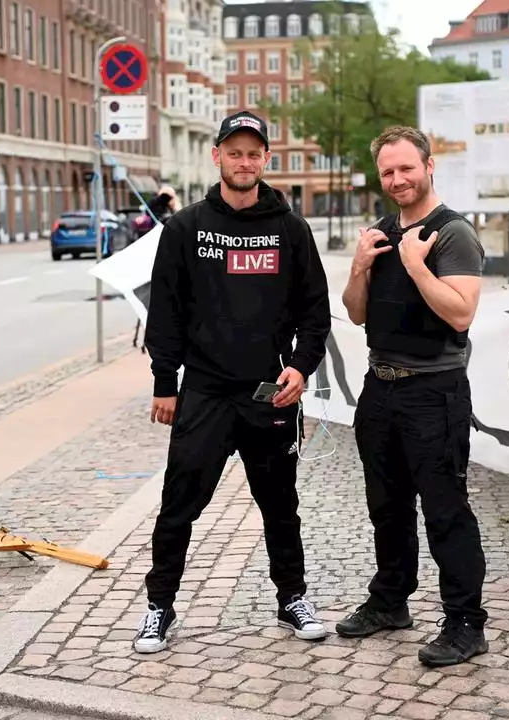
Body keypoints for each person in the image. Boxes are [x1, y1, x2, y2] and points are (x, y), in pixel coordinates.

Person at [135, 110, 332, 654]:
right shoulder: (186, 227)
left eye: (253, 153)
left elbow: (315, 313)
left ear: (266, 159)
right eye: (234, 151)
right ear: (217, 156)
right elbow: (166, 314)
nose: (244, 162)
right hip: (203, 391)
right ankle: (158, 606)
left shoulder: (291, 230)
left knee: (279, 502)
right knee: (180, 503)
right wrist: (164, 382)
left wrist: (301, 366)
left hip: (267, 392)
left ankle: (292, 598)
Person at [336, 125, 489, 667]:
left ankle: (466, 624)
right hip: (380, 389)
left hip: (434, 391)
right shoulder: (379, 232)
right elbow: (356, 312)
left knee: (446, 510)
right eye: (388, 172)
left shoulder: (453, 234)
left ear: (429, 166)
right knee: (387, 506)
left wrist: (415, 263)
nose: (397, 179)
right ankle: (390, 602)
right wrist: (360, 265)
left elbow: (461, 312)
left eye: (406, 168)